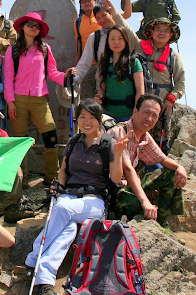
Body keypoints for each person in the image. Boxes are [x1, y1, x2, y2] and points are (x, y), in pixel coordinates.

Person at [24, 99, 127, 295]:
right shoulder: (73, 142)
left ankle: (33, 258)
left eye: (92, 118)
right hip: (70, 195)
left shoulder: (109, 144)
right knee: (69, 228)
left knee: (63, 209)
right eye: (82, 117)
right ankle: (45, 279)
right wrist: (59, 186)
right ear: (77, 119)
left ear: (99, 120)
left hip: (95, 200)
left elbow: (115, 179)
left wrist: (119, 154)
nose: (86, 122)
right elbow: (64, 170)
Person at [104, 0, 185, 151]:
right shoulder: (141, 47)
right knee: (136, 139)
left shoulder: (173, 56)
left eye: (166, 30)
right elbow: (125, 28)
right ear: (151, 32)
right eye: (158, 29)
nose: (161, 33)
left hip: (163, 105)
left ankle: (159, 165)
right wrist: (113, 11)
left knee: (160, 141)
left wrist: (172, 98)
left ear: (171, 35)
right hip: (141, 105)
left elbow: (180, 82)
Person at [3, 12, 75, 186]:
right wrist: (10, 102)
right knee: (20, 140)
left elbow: (52, 73)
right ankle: (22, 178)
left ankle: (52, 177)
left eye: (37, 26)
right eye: (30, 24)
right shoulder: (13, 49)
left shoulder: (45, 49)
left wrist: (65, 77)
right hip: (18, 99)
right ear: (22, 27)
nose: (33, 28)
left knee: (51, 136)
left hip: (39, 99)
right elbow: (8, 77)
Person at [109, 94, 188, 226]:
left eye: (154, 115)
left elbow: (162, 159)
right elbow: (127, 169)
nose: (149, 119)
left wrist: (180, 168)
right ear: (135, 111)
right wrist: (145, 201)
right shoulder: (120, 132)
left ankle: (162, 223)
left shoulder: (144, 136)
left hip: (129, 187)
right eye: (146, 112)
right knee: (137, 202)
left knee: (171, 174)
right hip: (114, 191)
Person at [95, 25, 144, 122]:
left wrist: (136, 111)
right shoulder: (105, 62)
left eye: (120, 38)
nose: (116, 42)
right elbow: (102, 89)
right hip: (107, 115)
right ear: (107, 41)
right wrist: (98, 99)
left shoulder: (134, 62)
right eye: (112, 39)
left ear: (126, 40)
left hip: (128, 115)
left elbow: (140, 91)